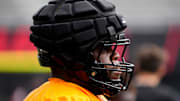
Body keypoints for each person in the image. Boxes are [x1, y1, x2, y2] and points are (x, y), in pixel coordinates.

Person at [24, 0, 135, 101]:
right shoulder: (68, 98)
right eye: (103, 48)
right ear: (72, 55)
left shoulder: (40, 95)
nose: (116, 55)